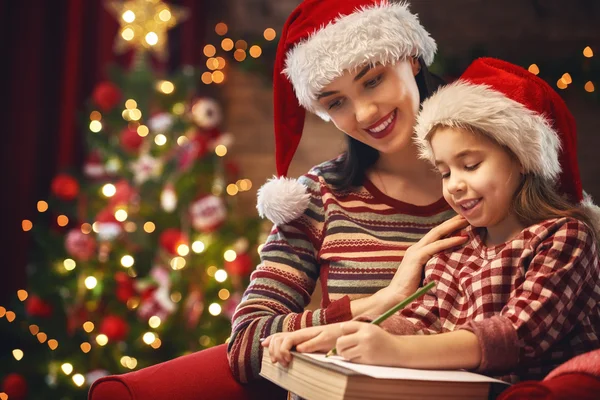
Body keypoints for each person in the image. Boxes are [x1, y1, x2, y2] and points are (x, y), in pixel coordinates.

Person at [265, 58, 600, 385]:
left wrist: (395, 351)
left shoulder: (566, 236)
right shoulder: (455, 247)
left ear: (522, 158)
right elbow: (417, 321)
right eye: (445, 172)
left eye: (469, 165)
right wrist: (331, 334)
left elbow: (516, 334)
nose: (453, 185)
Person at [227, 0, 470, 383]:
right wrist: (379, 302)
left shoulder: (493, 180)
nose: (365, 114)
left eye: (373, 79)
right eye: (337, 102)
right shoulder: (320, 197)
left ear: (412, 58)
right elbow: (245, 346)